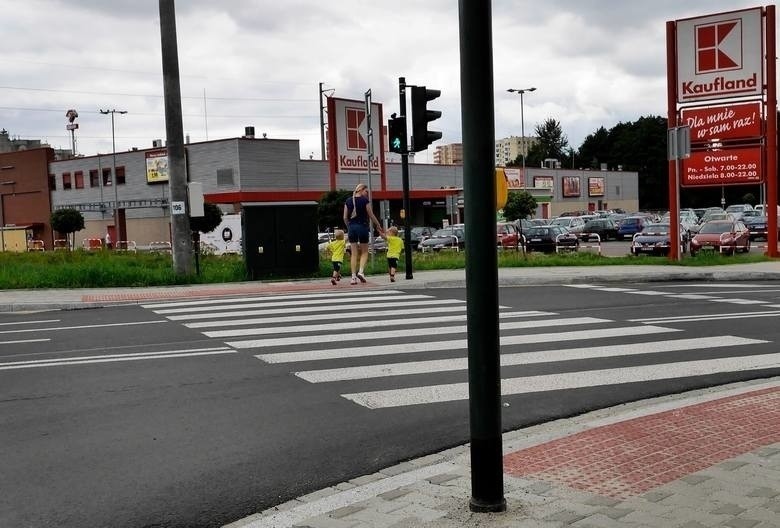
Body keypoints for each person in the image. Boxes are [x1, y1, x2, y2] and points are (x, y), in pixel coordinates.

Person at [343, 183, 383, 285]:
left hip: (352, 228)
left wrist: (349, 227)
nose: (367, 193)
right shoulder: (365, 200)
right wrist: (378, 225)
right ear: (361, 190)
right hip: (362, 227)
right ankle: (360, 272)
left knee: (354, 253)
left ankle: (353, 277)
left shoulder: (348, 201)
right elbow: (371, 215)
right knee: (365, 252)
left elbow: (344, 217)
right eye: (366, 191)